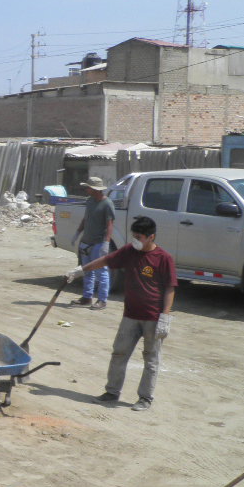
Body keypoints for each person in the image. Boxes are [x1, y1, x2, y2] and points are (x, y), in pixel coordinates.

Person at [66, 215, 175, 412]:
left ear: (151, 237)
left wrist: (165, 316)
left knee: (151, 358)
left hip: (153, 318)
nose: (135, 240)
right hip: (130, 315)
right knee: (119, 353)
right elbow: (106, 260)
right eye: (134, 235)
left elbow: (170, 288)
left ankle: (145, 398)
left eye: (139, 237)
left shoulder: (164, 258)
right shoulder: (129, 251)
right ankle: (112, 392)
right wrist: (81, 270)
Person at [70, 176, 115, 310]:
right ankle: (87, 297)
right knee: (87, 271)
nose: (86, 189)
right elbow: (86, 219)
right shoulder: (89, 201)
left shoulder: (107, 204)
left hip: (98, 243)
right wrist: (78, 233)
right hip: (86, 242)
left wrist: (106, 243)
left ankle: (102, 300)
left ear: (95, 189)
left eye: (88, 187)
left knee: (102, 272)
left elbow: (110, 225)